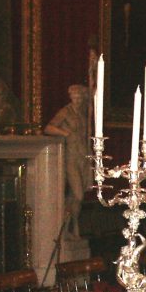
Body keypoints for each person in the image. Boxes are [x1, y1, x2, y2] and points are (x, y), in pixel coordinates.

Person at [44, 85, 93, 236]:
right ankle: (70, 225)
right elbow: (48, 128)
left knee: (75, 195)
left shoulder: (83, 113)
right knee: (78, 194)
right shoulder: (66, 112)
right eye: (74, 97)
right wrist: (65, 133)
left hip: (83, 156)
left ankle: (68, 227)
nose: (77, 100)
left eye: (80, 97)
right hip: (70, 156)